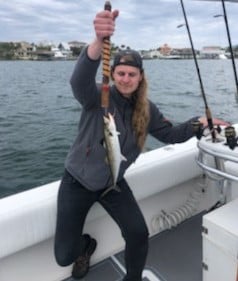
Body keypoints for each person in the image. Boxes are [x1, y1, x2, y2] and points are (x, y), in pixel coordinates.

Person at [54, 7, 229, 281]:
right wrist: (98, 42)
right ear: (113, 75)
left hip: (114, 181)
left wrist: (201, 123)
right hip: (77, 181)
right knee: (63, 256)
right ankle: (85, 246)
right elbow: (78, 81)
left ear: (140, 77)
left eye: (131, 74)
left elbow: (171, 134)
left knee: (138, 234)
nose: (125, 79)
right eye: (120, 73)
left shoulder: (147, 110)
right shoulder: (97, 98)